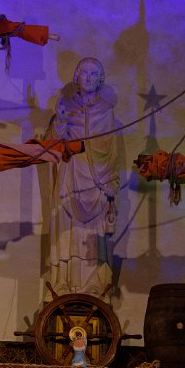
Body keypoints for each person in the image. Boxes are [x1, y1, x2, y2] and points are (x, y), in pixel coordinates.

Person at [50, 57, 121, 296]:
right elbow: (55, 142)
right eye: (84, 73)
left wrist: (109, 179)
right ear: (77, 77)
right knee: (68, 228)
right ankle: (64, 283)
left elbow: (110, 148)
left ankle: (94, 285)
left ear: (100, 79)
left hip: (97, 179)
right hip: (71, 175)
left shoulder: (106, 110)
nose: (88, 78)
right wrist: (61, 119)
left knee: (93, 232)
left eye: (93, 74)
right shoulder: (67, 105)